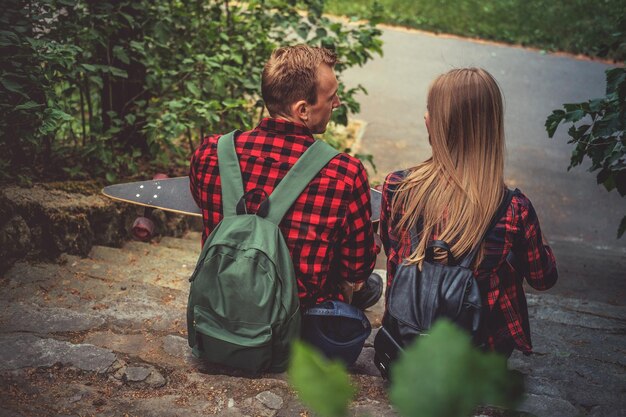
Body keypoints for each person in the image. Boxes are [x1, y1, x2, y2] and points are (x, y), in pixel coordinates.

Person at [379, 67, 558, 357]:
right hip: (476, 362)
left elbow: (393, 251)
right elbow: (544, 278)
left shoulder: (397, 188)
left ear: (439, 125)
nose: (425, 116)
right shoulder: (514, 210)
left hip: (404, 345)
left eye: (430, 110)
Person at [189, 44, 381, 313]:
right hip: (298, 327)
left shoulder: (210, 154)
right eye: (331, 97)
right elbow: (357, 267)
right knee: (371, 285)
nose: (337, 103)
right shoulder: (344, 174)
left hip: (221, 309)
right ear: (303, 110)